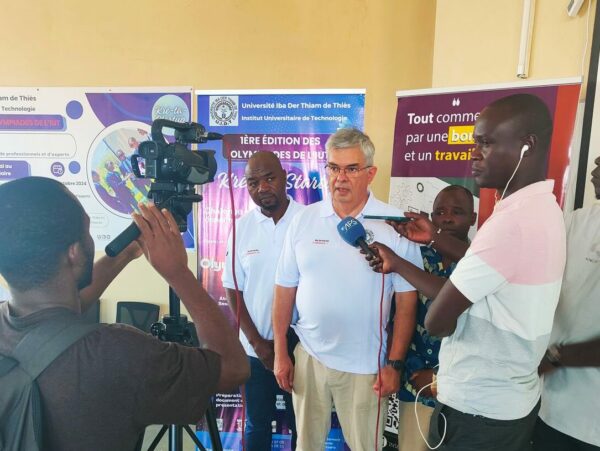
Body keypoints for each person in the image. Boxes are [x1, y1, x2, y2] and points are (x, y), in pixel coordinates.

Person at [373, 93, 565, 451]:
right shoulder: (543, 208)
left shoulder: (510, 223)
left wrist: (401, 266)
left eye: (487, 143)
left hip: (476, 411)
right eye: (475, 143)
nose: (474, 155)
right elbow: (493, 267)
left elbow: (436, 322)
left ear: (527, 145)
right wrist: (434, 240)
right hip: (508, 404)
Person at [0, 177, 249, 451]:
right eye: (87, 231)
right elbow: (233, 368)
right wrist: (178, 273)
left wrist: (125, 253)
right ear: (73, 252)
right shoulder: (119, 353)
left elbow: (61, 317)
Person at [272, 128, 423, 450]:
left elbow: (408, 303)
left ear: (370, 173)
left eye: (351, 169)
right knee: (306, 446)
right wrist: (280, 353)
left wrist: (394, 364)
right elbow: (284, 289)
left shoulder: (395, 224)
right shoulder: (304, 219)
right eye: (333, 168)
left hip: (365, 364)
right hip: (310, 356)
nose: (340, 178)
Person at [369, 185, 476, 451]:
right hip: (414, 385)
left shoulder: (480, 263)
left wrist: (441, 378)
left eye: (457, 212)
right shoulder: (415, 257)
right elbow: (398, 316)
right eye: (440, 212)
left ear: (473, 219)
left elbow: (479, 332)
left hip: (465, 392)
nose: (447, 218)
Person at [222, 151, 303, 450]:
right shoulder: (242, 227)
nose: (262, 188)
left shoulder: (307, 221)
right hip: (255, 349)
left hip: (302, 345)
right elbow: (232, 288)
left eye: (269, 178)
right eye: (253, 182)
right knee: (257, 424)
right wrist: (257, 342)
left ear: (284, 178)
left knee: (302, 424)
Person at [532, 156, 600, 451]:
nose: (595, 165)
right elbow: (514, 268)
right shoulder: (576, 221)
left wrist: (557, 357)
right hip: (549, 409)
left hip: (590, 423)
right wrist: (437, 239)